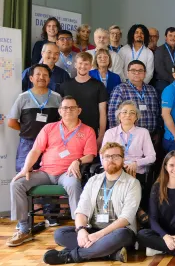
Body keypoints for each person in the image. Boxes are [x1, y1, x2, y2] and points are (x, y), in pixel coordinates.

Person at [8, 96, 96, 247]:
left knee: (74, 184)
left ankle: (79, 228)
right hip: (45, 172)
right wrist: (25, 168)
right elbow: (35, 150)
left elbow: (91, 154)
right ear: (60, 111)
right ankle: (23, 228)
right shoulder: (49, 128)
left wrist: (78, 161)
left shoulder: (87, 130)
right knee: (17, 183)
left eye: (72, 108)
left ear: (79, 110)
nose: (68, 110)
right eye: (65, 108)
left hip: (67, 173)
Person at [42, 142, 139, 264]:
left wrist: (99, 235)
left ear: (123, 159)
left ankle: (70, 256)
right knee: (60, 234)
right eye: (107, 156)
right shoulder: (93, 181)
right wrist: (81, 230)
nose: (111, 160)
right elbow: (81, 210)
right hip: (93, 229)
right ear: (102, 160)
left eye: (116, 156)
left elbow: (126, 218)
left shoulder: (132, 183)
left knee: (123, 235)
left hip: (117, 232)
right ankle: (110, 254)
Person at [103, 100, 155, 213]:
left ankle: (130, 213)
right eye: (124, 112)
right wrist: (121, 165)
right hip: (115, 169)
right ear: (119, 115)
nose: (128, 115)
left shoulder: (143, 132)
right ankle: (137, 212)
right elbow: (104, 156)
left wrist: (136, 163)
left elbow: (152, 156)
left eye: (132, 113)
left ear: (136, 117)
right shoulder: (110, 133)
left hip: (137, 171)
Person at [8, 64, 63, 172]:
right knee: (24, 174)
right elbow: (11, 122)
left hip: (50, 144)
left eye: (45, 75)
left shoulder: (56, 97)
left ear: (49, 79)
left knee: (48, 173)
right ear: (31, 78)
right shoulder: (22, 97)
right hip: (28, 143)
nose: (41, 77)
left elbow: (62, 120)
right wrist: (27, 130)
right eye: (38, 74)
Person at [60, 52, 108, 147]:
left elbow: (103, 112)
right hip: (69, 132)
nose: (83, 66)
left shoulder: (99, 85)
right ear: (75, 65)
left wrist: (101, 135)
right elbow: (61, 112)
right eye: (80, 63)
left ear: (91, 66)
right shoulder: (65, 85)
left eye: (86, 64)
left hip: (92, 131)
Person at [108, 60, 159, 134]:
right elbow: (113, 114)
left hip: (150, 135)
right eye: (133, 70)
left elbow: (157, 113)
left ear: (145, 73)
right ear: (127, 73)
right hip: (128, 136)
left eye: (140, 71)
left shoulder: (152, 90)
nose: (137, 73)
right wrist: (117, 135)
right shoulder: (120, 89)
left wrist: (157, 133)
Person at [154, 27, 175, 95]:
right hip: (163, 83)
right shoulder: (160, 50)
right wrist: (172, 79)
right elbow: (159, 68)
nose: (173, 38)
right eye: (170, 35)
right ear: (165, 37)